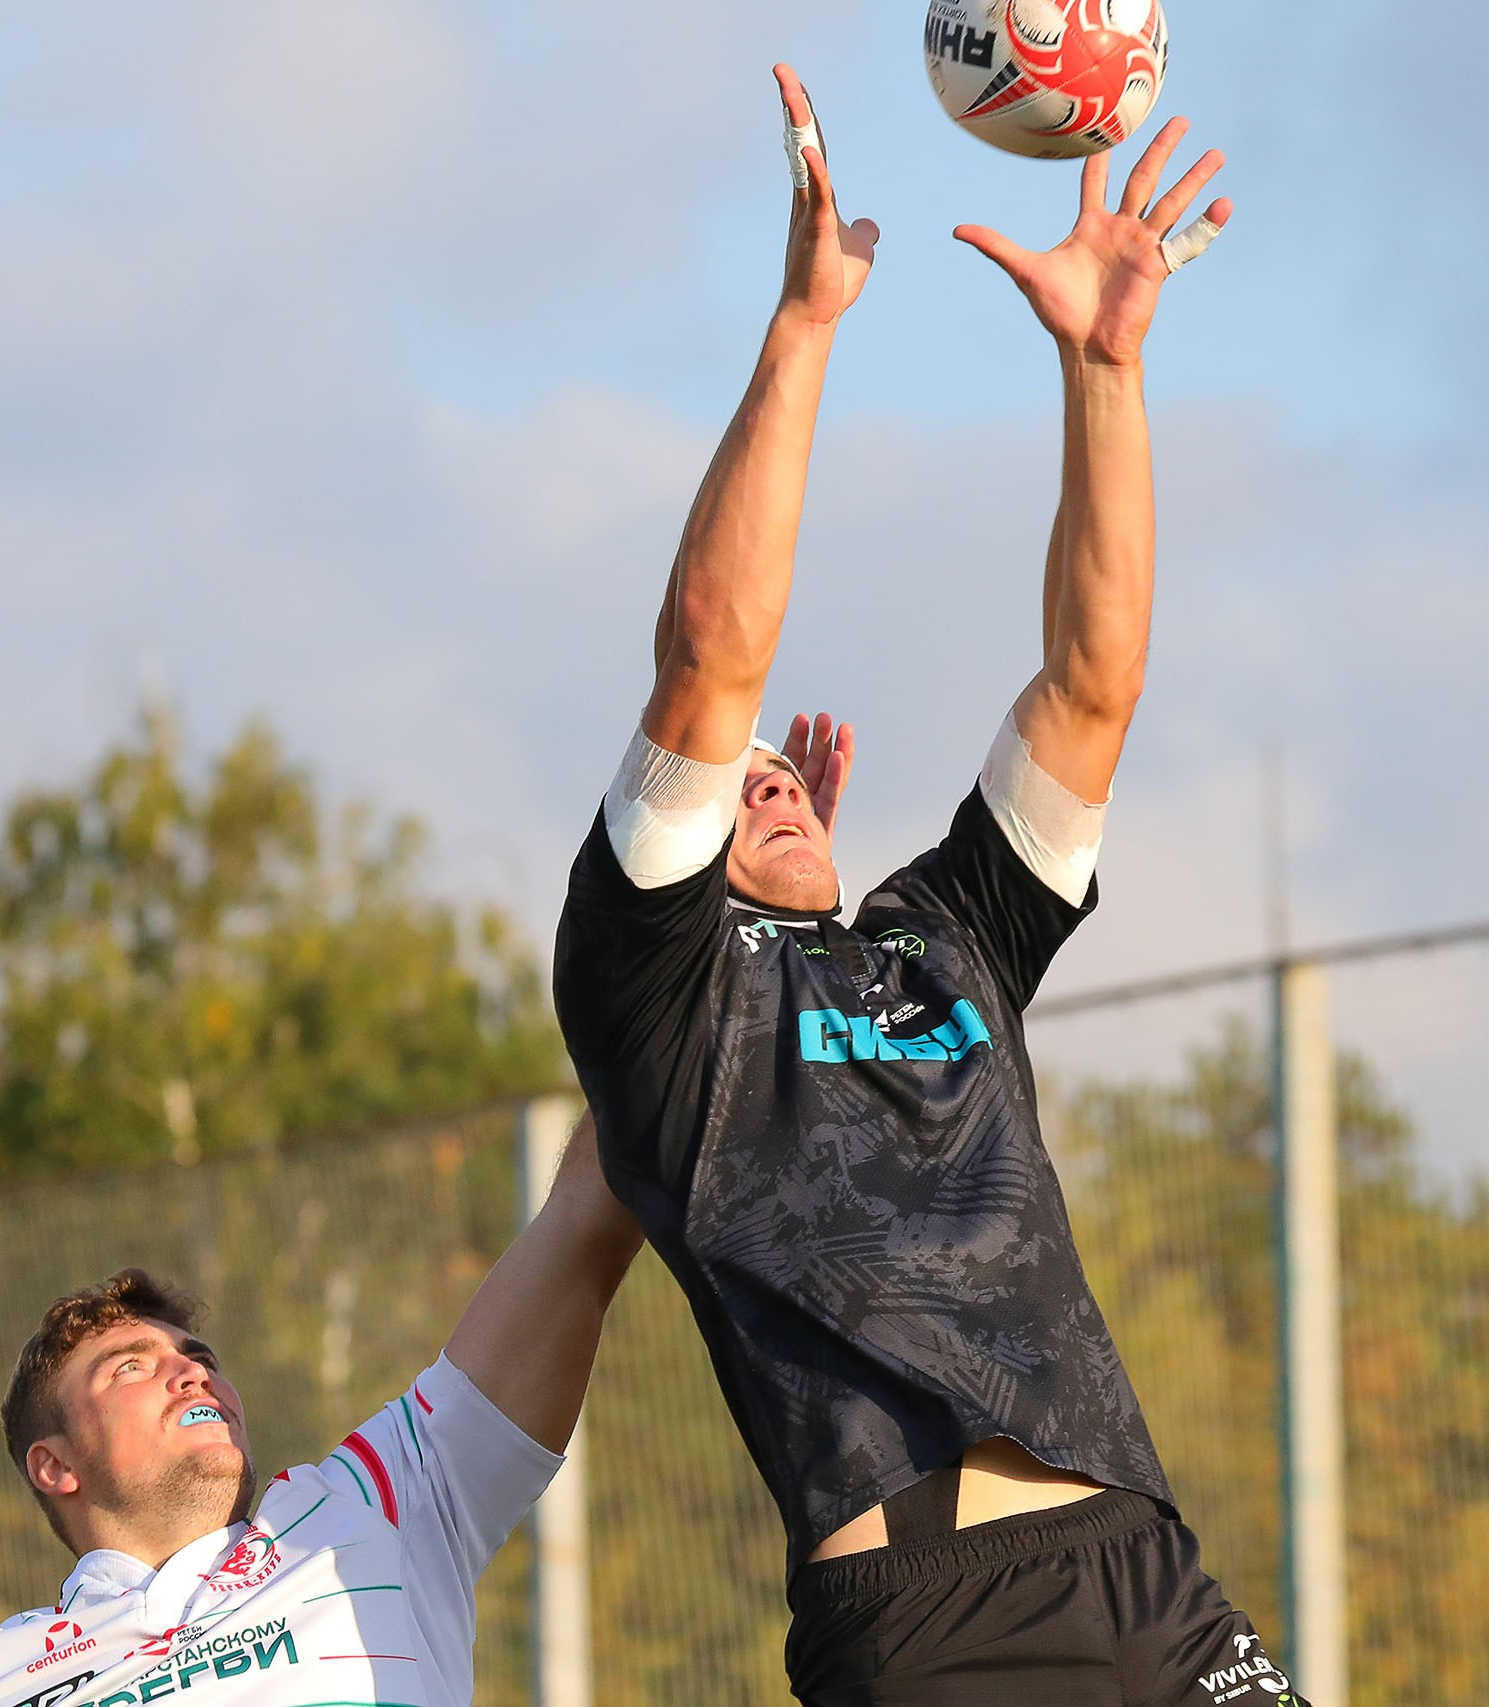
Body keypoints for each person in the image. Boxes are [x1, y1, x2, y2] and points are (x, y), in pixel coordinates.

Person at [554, 63, 1301, 1707]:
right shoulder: (663, 1005)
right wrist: (810, 327)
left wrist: (1106, 371)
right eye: (728, 776)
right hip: (932, 1614)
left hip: (1146, 1575)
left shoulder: (936, 938)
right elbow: (709, 652)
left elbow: (1091, 686)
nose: (762, 770)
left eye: (777, 768)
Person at [0, 1117, 641, 1707]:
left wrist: (669, 976)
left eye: (198, 1357)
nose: (189, 1371)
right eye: (131, 1366)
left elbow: (583, 1224)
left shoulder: (369, 1510)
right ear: (55, 1462)